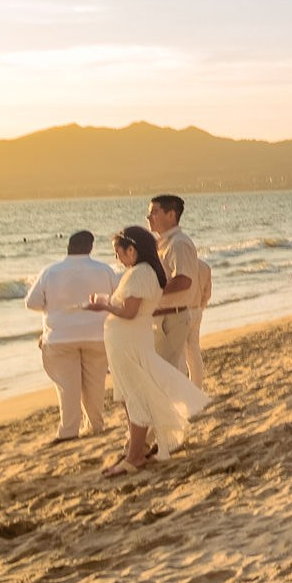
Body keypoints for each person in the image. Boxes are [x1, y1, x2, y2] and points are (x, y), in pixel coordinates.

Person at [86, 227, 210, 477]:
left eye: (118, 251)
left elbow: (130, 312)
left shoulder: (140, 273)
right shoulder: (143, 272)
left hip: (129, 342)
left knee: (135, 397)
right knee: (131, 396)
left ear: (132, 250)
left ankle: (135, 456)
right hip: (128, 340)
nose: (116, 257)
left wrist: (103, 305)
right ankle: (137, 449)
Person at [25, 231, 116, 444]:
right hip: (97, 334)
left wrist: (56, 305)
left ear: (68, 246)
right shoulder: (104, 270)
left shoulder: (50, 271)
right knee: (95, 383)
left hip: (60, 336)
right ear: (90, 248)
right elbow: (116, 297)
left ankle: (68, 430)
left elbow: (32, 303)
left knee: (67, 386)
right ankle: (95, 424)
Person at [146, 195, 200, 369]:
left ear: (171, 215)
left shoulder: (178, 243)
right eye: (149, 213)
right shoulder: (163, 243)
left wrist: (153, 292)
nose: (149, 217)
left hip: (173, 317)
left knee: (169, 372)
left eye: (154, 212)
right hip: (164, 316)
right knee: (166, 371)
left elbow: (184, 280)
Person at [186, 259, 212, 387]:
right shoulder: (204, 266)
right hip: (197, 310)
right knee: (194, 353)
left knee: (179, 355)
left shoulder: (183, 266)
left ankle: (187, 391)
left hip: (183, 312)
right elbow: (207, 294)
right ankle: (197, 388)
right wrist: (200, 308)